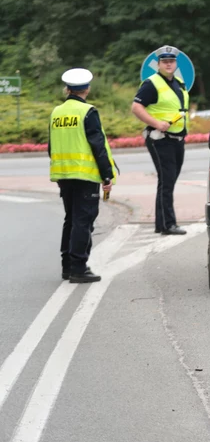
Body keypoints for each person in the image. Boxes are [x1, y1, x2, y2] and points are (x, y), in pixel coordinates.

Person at [49, 68, 118, 283]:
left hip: (63, 174)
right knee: (83, 220)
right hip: (85, 176)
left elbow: (51, 147)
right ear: (87, 89)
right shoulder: (88, 112)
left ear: (67, 88)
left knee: (70, 219)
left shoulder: (56, 112)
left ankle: (67, 267)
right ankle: (79, 267)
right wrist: (107, 176)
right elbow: (98, 146)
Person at [131, 46, 188, 235]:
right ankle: (168, 224)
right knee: (167, 180)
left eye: (171, 61)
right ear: (158, 64)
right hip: (160, 138)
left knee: (169, 180)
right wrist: (156, 123)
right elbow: (136, 107)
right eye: (165, 61)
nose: (169, 64)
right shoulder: (151, 83)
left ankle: (162, 223)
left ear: (176, 63)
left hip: (177, 138)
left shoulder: (179, 82)